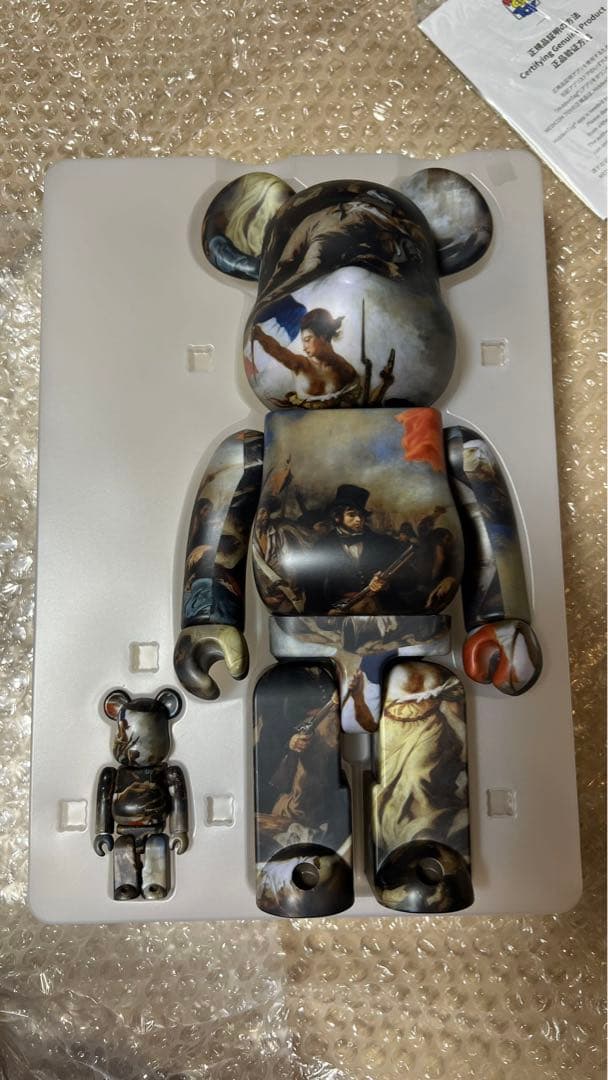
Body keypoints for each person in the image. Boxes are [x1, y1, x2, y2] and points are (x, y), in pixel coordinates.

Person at [305, 484, 404, 614]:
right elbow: (313, 588)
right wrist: (327, 611)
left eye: (361, 515)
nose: (358, 519)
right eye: (351, 515)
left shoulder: (383, 543)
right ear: (337, 517)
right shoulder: (322, 547)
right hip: (337, 610)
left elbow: (406, 579)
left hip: (378, 607)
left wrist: (386, 584)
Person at [252, 308, 359, 400]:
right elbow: (277, 350)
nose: (304, 347)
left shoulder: (345, 370)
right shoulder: (301, 364)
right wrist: (260, 335)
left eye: (307, 340)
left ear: (323, 336)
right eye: (303, 341)